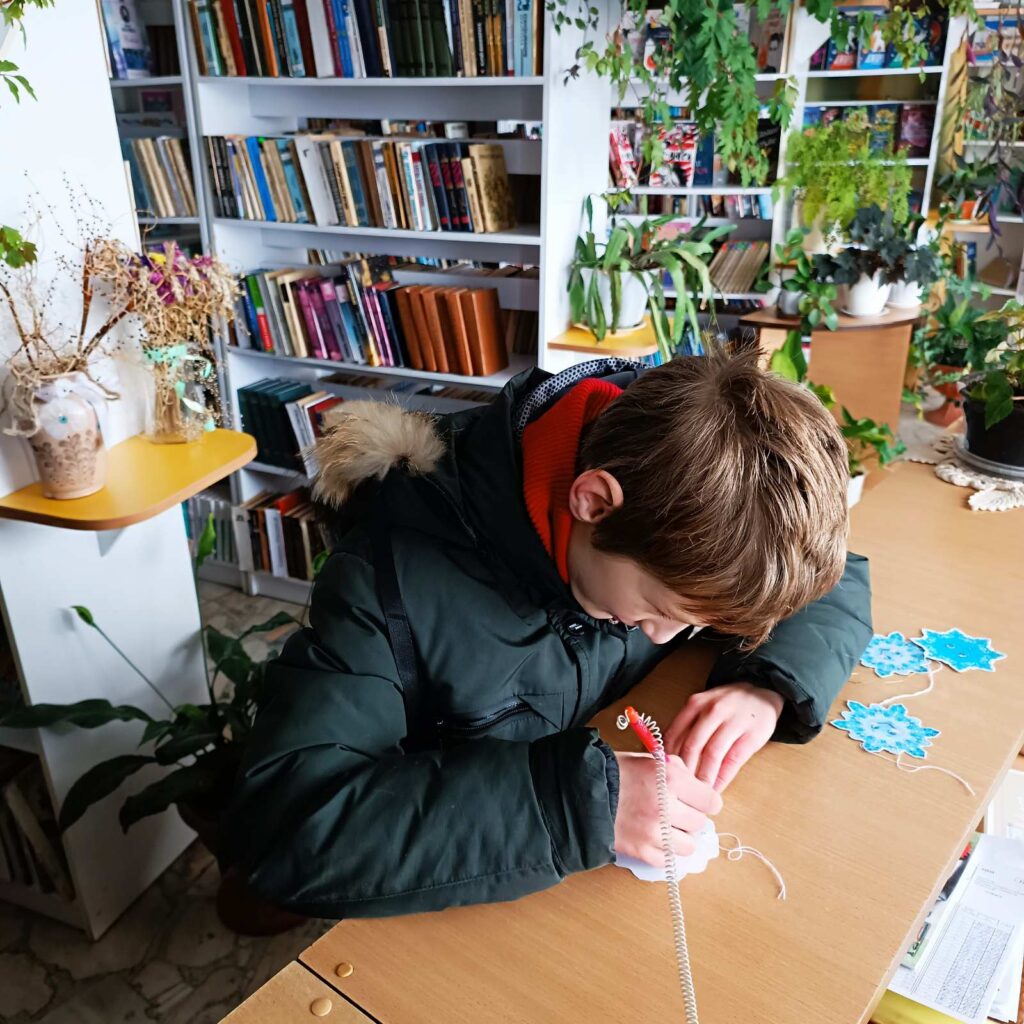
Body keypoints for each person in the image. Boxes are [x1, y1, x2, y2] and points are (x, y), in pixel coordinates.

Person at [224, 348, 871, 918]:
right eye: (662, 609)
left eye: (701, 624)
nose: (670, 637)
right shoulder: (386, 579)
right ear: (594, 503)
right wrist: (578, 805)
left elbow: (829, 582)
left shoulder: (682, 505)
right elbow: (286, 834)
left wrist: (765, 686)